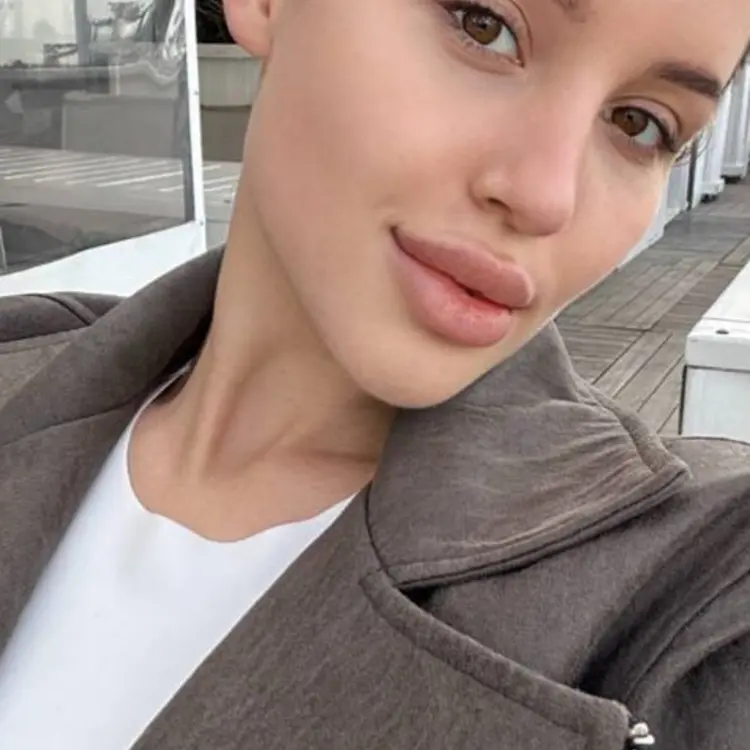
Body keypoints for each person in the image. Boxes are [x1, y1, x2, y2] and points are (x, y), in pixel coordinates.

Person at [0, 0, 748, 748]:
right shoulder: (23, 359)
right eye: (484, 25)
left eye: (640, 125)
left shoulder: (687, 586)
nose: (544, 196)